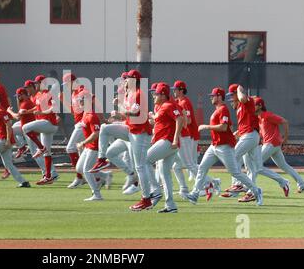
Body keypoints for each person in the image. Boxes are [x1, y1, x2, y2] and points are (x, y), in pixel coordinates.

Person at [92, 69, 162, 211]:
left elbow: (134, 112)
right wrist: (120, 107)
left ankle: (146, 199)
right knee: (105, 128)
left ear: (134, 80)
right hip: (131, 130)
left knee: (140, 167)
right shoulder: (130, 94)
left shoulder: (139, 93)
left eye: (128, 78)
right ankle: (101, 159)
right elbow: (127, 116)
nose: (125, 81)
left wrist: (120, 109)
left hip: (140, 134)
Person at [186, 87, 263, 206]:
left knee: (235, 173)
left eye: (213, 96)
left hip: (224, 147)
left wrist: (206, 127)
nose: (211, 97)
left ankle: (256, 190)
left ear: (219, 97)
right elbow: (230, 127)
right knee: (202, 168)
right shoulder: (219, 109)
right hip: (214, 146)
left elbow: (223, 127)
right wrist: (236, 133)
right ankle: (195, 194)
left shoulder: (223, 109)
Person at [223, 84, 289, 202]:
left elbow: (244, 98)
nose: (230, 99)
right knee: (256, 168)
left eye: (232, 95)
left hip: (250, 137)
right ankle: (279, 183)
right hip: (249, 136)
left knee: (233, 157)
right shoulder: (240, 107)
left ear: (237, 94)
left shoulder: (245, 101)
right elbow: (248, 122)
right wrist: (239, 132)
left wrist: (239, 88)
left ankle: (238, 184)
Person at [171, 80, 221, 198]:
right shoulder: (179, 102)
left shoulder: (184, 102)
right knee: (177, 166)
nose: (174, 91)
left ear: (181, 90)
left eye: (176, 89)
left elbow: (187, 121)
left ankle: (212, 182)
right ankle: (184, 189)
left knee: (190, 165)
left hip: (189, 136)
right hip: (184, 135)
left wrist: (175, 120)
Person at [254, 97, 304, 193]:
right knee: (284, 166)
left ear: (260, 106)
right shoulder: (259, 118)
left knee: (255, 164)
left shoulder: (268, 115)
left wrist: (285, 138)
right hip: (272, 145)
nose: (252, 107)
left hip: (271, 144)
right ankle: (302, 185)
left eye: (254, 105)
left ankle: (249, 188)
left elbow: (284, 121)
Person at [147, 83, 183, 213]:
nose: (154, 96)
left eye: (156, 93)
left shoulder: (168, 105)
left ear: (163, 95)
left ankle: (155, 190)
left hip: (168, 142)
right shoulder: (164, 106)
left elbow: (180, 119)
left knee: (144, 160)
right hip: (166, 142)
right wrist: (153, 118)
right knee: (164, 174)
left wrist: (174, 138)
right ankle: (171, 205)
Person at [8, 87, 58, 181]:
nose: (17, 98)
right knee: (12, 129)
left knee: (37, 154)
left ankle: (50, 173)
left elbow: (17, 116)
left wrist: (9, 111)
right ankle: (22, 147)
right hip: (29, 128)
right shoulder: (29, 100)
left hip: (32, 131)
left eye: (18, 96)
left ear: (22, 95)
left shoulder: (27, 102)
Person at [75, 89, 112, 201]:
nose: (79, 102)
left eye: (81, 99)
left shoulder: (92, 115)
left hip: (94, 147)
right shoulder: (86, 113)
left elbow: (96, 134)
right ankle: (105, 176)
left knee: (86, 170)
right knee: (79, 168)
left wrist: (83, 142)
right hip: (88, 146)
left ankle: (97, 194)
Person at [21, 76, 59, 185]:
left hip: (49, 123)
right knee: (47, 153)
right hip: (44, 124)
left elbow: (54, 108)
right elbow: (37, 108)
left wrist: (43, 113)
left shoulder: (48, 94)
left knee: (25, 127)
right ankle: (48, 177)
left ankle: (41, 148)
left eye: (37, 83)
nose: (36, 85)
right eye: (35, 83)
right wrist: (28, 111)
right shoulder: (38, 95)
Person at [61, 73, 88, 189]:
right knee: (82, 154)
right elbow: (74, 111)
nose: (66, 86)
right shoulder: (74, 93)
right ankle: (101, 177)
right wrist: (62, 100)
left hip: (83, 123)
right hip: (79, 123)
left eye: (67, 83)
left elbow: (89, 107)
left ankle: (79, 178)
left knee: (70, 148)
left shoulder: (82, 90)